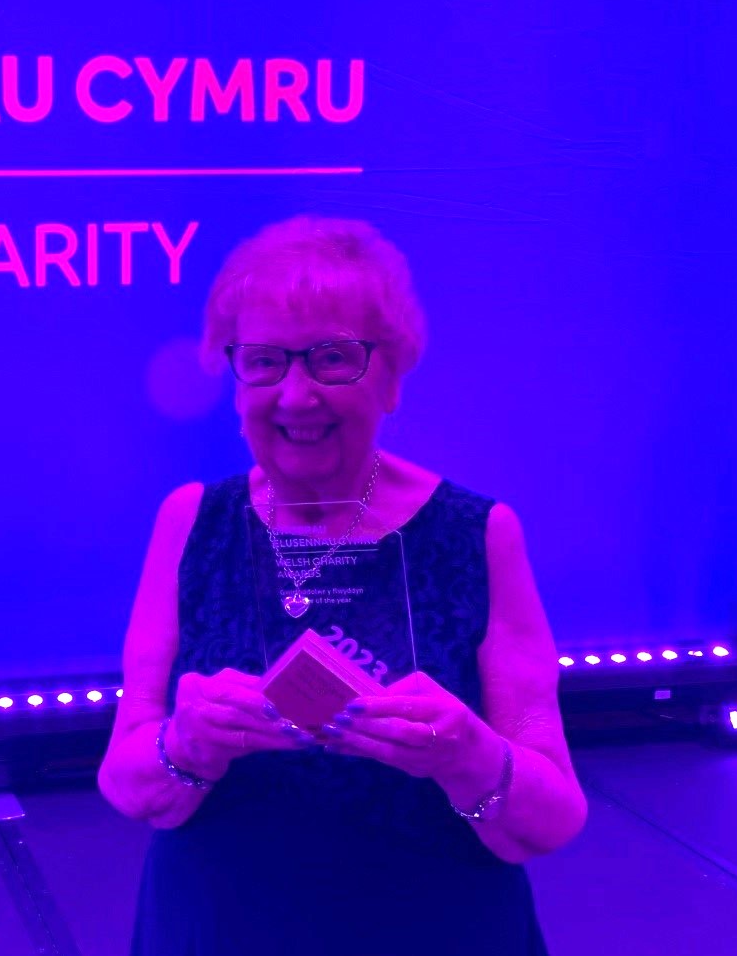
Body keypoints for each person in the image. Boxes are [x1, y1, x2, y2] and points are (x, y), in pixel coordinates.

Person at [98, 217, 586, 955]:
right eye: (263, 362)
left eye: (332, 359)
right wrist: (186, 745)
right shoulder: (190, 521)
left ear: (390, 375)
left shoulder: (478, 534)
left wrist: (466, 754)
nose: (295, 396)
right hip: (218, 930)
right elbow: (126, 781)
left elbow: (554, 817)